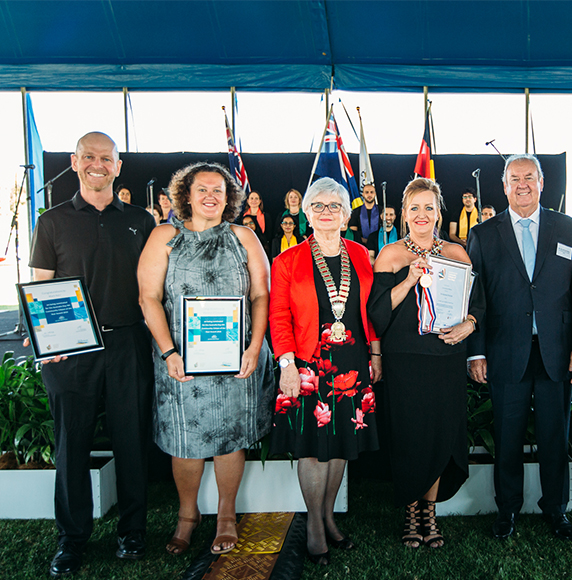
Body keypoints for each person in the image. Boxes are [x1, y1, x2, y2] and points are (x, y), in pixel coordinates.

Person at [28, 132, 156, 577]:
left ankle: (132, 530)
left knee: (132, 440)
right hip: (71, 350)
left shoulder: (142, 220)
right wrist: (44, 337)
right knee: (72, 444)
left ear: (118, 166)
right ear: (74, 162)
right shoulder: (52, 221)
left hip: (128, 343)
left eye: (106, 158)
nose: (97, 164)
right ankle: (72, 538)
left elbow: (153, 289)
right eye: (88, 157)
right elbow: (42, 286)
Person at [138, 162, 274, 557]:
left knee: (230, 438)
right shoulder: (164, 236)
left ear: (230, 197)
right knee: (184, 440)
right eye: (202, 190)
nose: (211, 196)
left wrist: (254, 346)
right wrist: (168, 351)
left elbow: (261, 296)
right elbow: (148, 298)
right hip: (179, 360)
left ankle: (227, 516)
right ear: (186, 195)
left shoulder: (244, 237)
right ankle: (187, 516)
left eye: (219, 190)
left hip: (237, 359)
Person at [467, 153, 572, 541]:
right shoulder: (484, 234)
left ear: (542, 183)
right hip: (504, 351)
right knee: (507, 436)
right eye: (514, 178)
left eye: (530, 177)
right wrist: (476, 351)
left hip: (557, 352)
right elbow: (476, 297)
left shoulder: (570, 229)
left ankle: (557, 509)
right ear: (504, 186)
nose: (522, 184)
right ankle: (507, 510)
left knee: (556, 435)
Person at [269, 177, 381, 566]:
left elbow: (372, 312)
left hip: (353, 361)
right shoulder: (286, 260)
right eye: (318, 205)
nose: (327, 212)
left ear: (346, 214)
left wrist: (376, 355)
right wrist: (286, 363)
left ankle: (330, 515)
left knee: (340, 447)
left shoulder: (361, 255)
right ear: (306, 212)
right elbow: (278, 316)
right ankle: (314, 526)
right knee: (314, 451)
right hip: (307, 365)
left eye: (335, 206)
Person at [368, 178, 478, 549]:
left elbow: (478, 305)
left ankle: (429, 511)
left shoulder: (457, 253)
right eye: (414, 207)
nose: (422, 214)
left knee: (438, 435)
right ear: (403, 214)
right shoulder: (391, 255)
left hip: (445, 359)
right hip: (406, 361)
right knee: (410, 435)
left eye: (429, 207)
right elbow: (377, 315)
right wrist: (409, 278)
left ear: (438, 212)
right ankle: (411, 510)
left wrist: (469, 324)